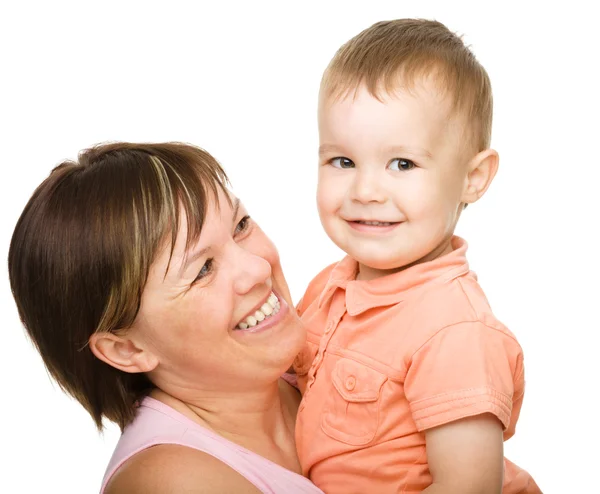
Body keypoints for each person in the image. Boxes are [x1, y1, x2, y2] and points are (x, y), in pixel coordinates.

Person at [293, 19, 541, 493]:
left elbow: (466, 488)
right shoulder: (329, 286)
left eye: (402, 164)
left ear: (474, 178)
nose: (365, 191)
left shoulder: (454, 331)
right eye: (342, 161)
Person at [8, 142, 323, 494]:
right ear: (126, 349)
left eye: (241, 226)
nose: (259, 267)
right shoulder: (171, 483)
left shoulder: (329, 350)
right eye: (203, 269)